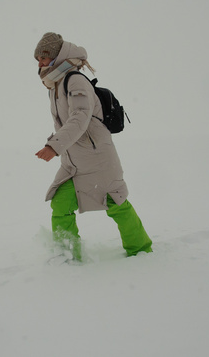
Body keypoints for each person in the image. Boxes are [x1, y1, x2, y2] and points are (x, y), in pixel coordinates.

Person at [34, 32, 152, 262]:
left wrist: (54, 146)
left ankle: (141, 250)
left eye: (44, 57)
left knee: (116, 203)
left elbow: (80, 118)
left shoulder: (74, 80)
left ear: (57, 55)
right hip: (73, 163)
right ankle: (66, 256)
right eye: (37, 59)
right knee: (60, 203)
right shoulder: (55, 85)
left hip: (98, 160)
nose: (40, 63)